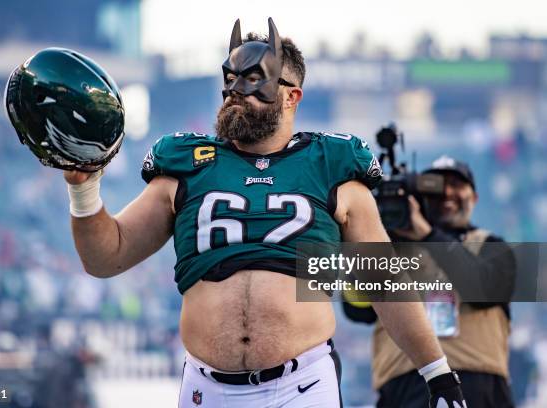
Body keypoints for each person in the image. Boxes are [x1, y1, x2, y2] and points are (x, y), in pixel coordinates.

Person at [57, 19, 464, 408]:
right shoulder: (188, 164)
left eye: (253, 81)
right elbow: (105, 257)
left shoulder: (331, 166)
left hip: (301, 384)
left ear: (291, 95)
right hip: (206, 387)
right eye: (230, 80)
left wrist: (438, 372)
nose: (236, 91)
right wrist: (84, 189)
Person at [344, 155, 516, 407]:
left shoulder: (491, 245)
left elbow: (486, 291)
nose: (447, 193)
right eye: (436, 187)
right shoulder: (390, 251)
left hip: (478, 385)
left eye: (457, 185)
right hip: (405, 385)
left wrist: (428, 234)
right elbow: (356, 309)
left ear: (475, 198)